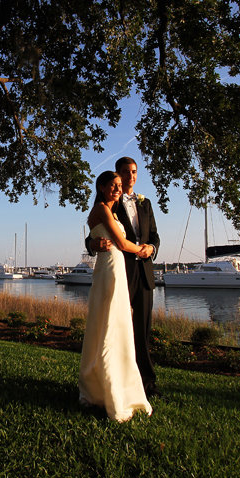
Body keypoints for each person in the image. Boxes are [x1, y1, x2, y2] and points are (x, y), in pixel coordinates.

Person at [78, 170, 153, 421]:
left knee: (119, 325)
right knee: (109, 325)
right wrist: (143, 251)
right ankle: (105, 388)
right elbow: (120, 242)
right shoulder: (101, 209)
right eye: (113, 185)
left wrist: (150, 246)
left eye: (120, 185)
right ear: (101, 187)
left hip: (118, 269)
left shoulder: (126, 206)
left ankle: (112, 384)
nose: (118, 189)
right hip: (111, 267)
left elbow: (148, 235)